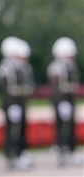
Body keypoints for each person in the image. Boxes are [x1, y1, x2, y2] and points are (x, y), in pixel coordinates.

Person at [0, 36, 35, 170]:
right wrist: (11, 105)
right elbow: (6, 90)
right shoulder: (4, 70)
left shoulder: (22, 68)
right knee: (12, 131)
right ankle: (11, 155)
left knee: (20, 129)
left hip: (20, 103)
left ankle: (19, 153)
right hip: (11, 104)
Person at [47, 37, 83, 167]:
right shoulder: (56, 67)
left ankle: (71, 149)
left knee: (70, 125)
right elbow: (57, 87)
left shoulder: (71, 66)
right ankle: (60, 148)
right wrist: (61, 101)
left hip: (70, 100)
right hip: (61, 100)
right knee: (62, 126)